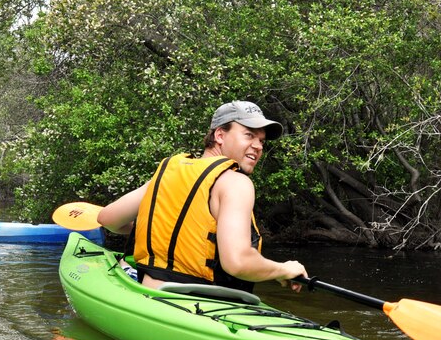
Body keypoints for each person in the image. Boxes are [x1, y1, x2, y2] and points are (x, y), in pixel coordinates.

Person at [97, 100, 306, 294]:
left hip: (152, 293)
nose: (258, 146)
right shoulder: (235, 182)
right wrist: (283, 269)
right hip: (203, 306)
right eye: (249, 135)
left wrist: (154, 229)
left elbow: (109, 220)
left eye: (261, 140)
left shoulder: (169, 172)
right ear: (220, 136)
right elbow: (238, 262)